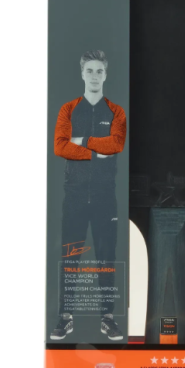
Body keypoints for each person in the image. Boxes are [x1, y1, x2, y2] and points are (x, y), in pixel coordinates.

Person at [50, 50, 126, 341]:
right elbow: (60, 146)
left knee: (106, 257)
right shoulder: (68, 110)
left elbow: (116, 144)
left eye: (99, 71)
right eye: (89, 71)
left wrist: (80, 142)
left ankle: (108, 318)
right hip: (75, 196)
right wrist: (96, 151)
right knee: (71, 256)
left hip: (106, 198)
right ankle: (65, 317)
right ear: (82, 73)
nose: (94, 76)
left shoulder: (116, 112)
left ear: (106, 74)